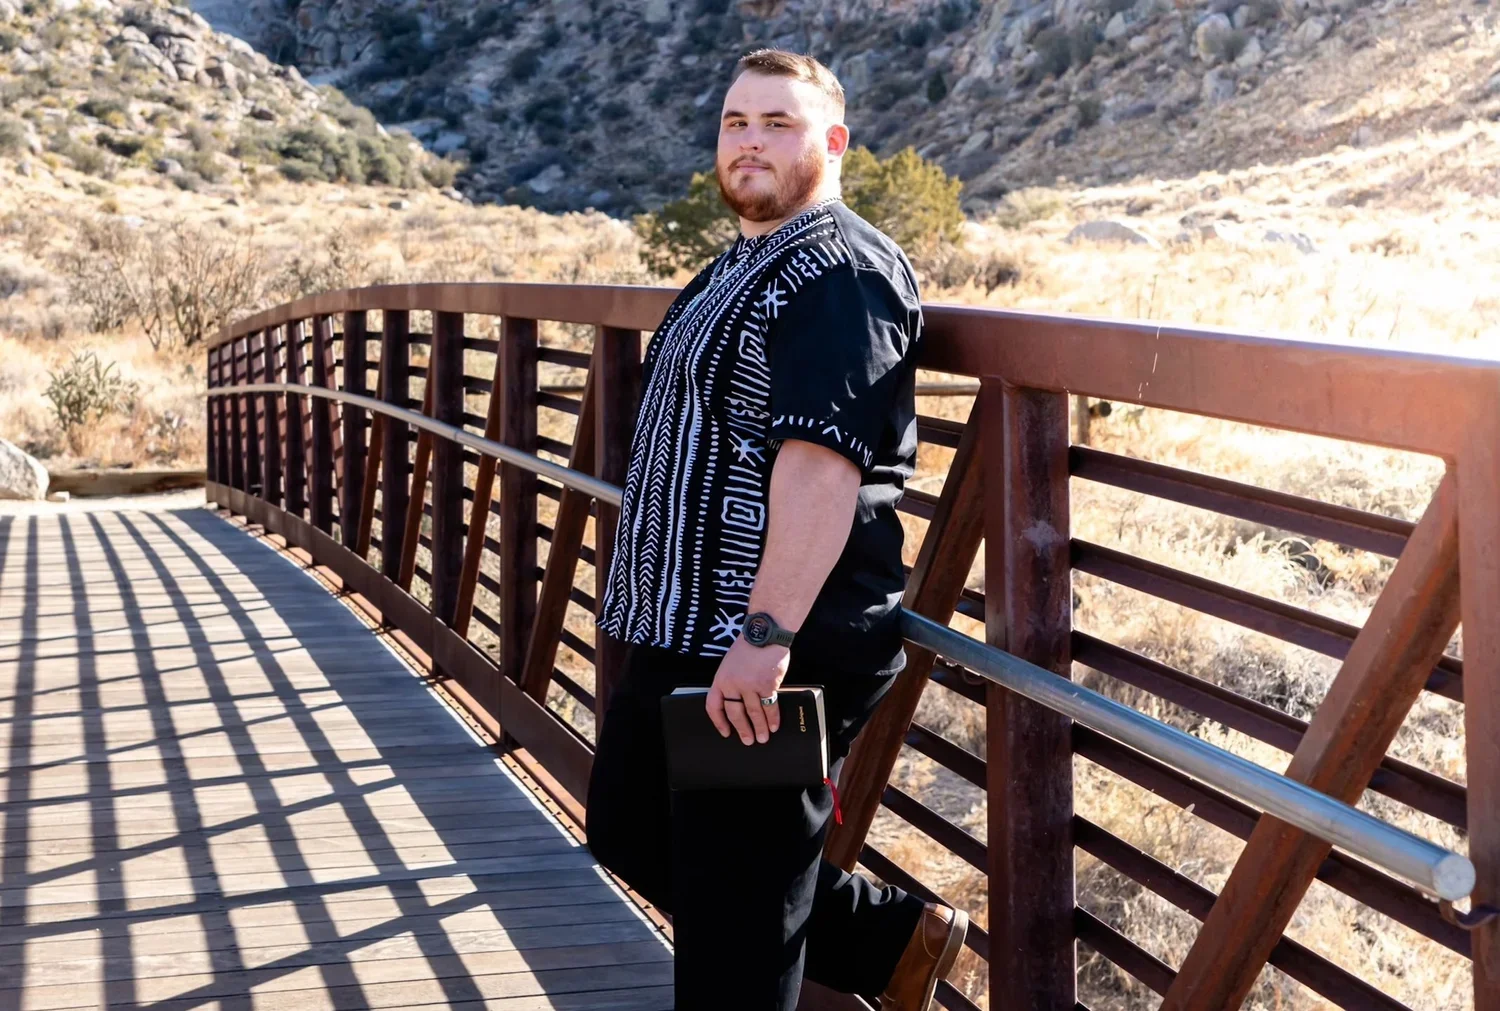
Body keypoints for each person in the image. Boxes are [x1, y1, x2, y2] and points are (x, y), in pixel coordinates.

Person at [586, 48, 969, 1011]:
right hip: (678, 630)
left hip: (767, 642)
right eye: (735, 123)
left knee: (735, 934)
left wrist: (764, 641)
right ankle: (890, 940)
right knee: (630, 829)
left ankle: (873, 943)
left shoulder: (840, 270)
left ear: (832, 145)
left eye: (778, 124)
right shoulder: (737, 266)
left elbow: (821, 469)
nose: (749, 142)